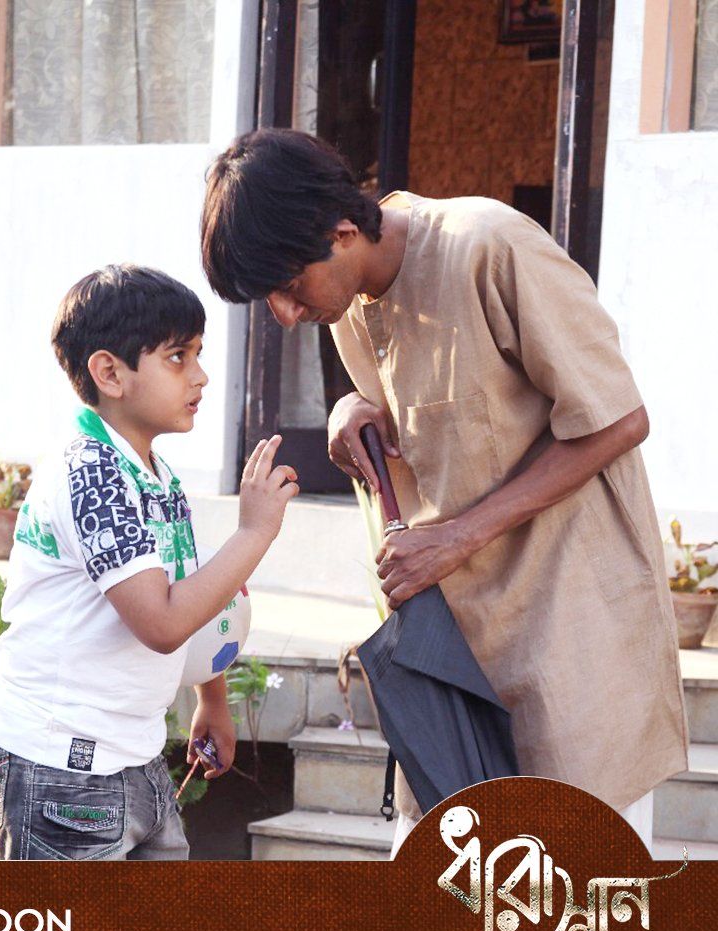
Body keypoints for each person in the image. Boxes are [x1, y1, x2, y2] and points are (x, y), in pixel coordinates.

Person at [200, 129, 688, 858]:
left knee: (573, 909)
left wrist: (457, 538)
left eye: (290, 287)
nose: (285, 314)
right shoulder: (350, 302)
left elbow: (618, 420)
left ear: (342, 232)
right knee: (448, 901)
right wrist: (350, 412)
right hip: (452, 658)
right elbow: (431, 427)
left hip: (573, 634)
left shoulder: (488, 245)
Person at [0, 264, 299, 860]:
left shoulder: (152, 472)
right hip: (59, 769)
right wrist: (255, 532)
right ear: (109, 373)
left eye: (198, 354)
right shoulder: (90, 472)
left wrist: (213, 698)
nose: (200, 375)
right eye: (177, 357)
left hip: (133, 754)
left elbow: (189, 589)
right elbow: (162, 622)